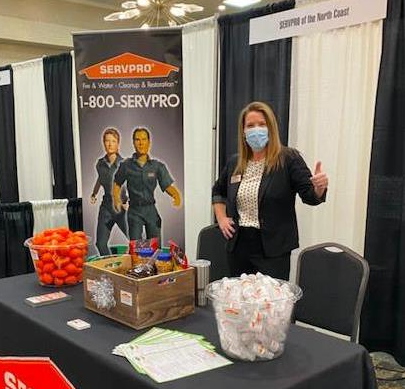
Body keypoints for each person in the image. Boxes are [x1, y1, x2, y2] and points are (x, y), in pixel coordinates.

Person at [211, 101, 329, 280]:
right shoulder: (235, 162)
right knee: (240, 300)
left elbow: (310, 196)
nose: (255, 129)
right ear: (243, 132)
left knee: (270, 303)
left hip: (272, 249)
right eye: (250, 125)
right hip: (239, 246)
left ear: (271, 128)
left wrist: (319, 187)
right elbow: (218, 191)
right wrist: (221, 218)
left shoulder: (288, 159)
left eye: (261, 124)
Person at [112, 127, 182, 242]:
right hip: (134, 210)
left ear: (149, 142)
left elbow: (167, 185)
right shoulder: (126, 165)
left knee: (155, 246)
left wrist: (176, 195)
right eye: (137, 140)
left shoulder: (157, 166)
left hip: (150, 209)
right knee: (135, 247)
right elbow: (117, 183)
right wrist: (116, 199)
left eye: (144, 139)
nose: (141, 143)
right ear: (133, 143)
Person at [90, 128, 129, 255]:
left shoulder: (125, 164)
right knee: (100, 244)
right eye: (107, 141)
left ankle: (139, 268)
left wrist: (130, 202)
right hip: (106, 207)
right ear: (103, 143)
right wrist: (94, 193)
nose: (110, 144)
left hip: (121, 207)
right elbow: (100, 179)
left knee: (137, 241)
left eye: (113, 141)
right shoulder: (100, 164)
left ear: (118, 143)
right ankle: (110, 269)